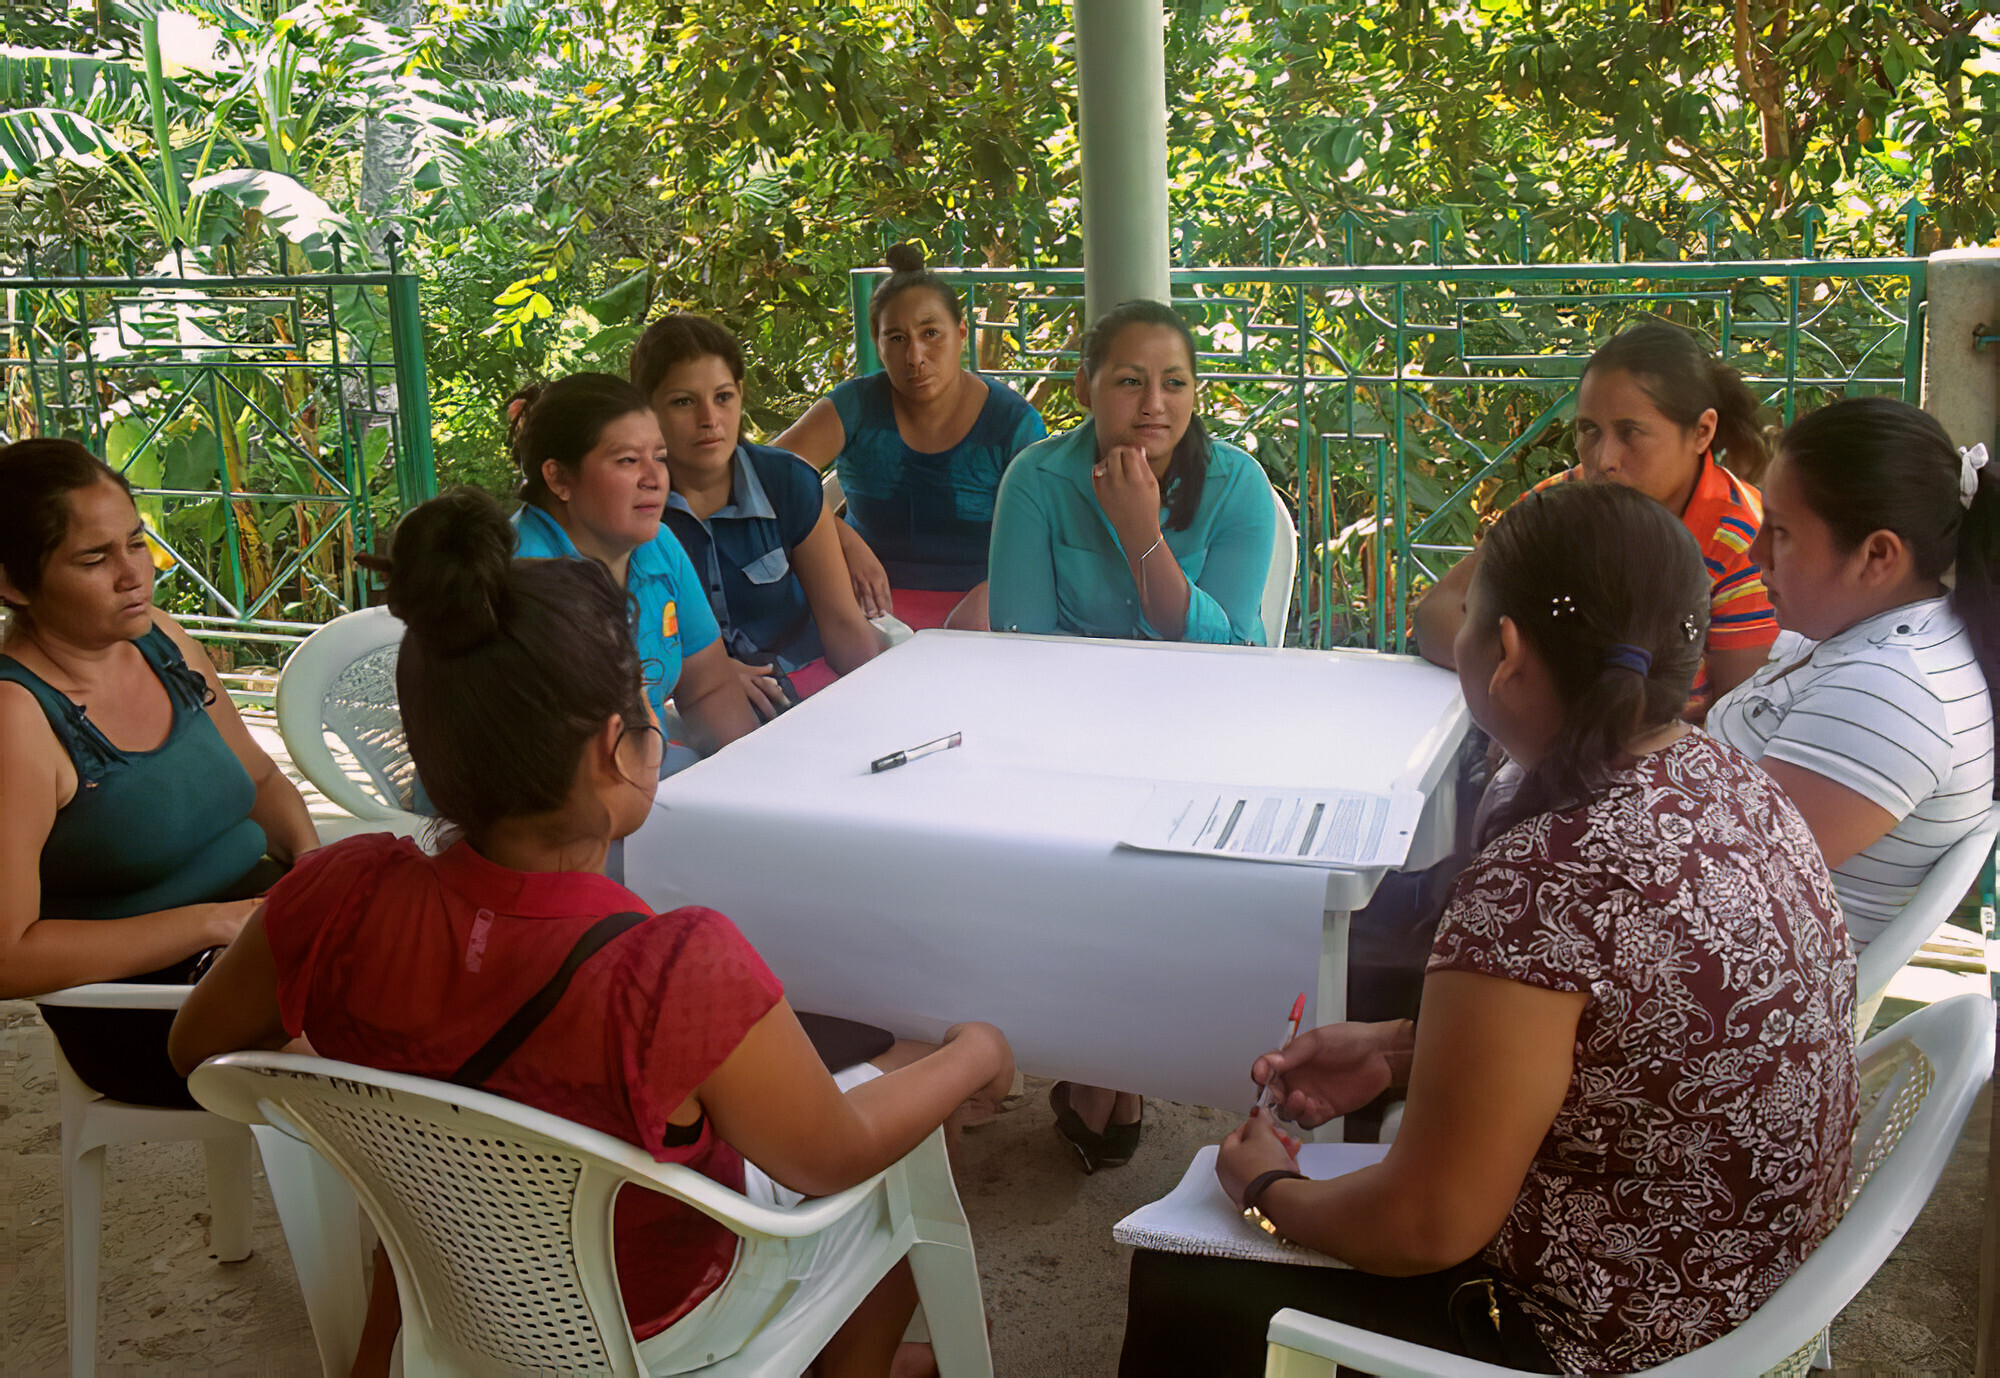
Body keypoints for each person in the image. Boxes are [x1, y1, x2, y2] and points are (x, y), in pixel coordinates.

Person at [169, 488, 1015, 1378]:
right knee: (918, 1107)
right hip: (663, 1320)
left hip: (449, 1294)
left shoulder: (332, 897)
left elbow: (199, 1046)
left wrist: (392, 1082)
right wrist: (972, 1051)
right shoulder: (671, 968)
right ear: (619, 748)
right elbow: (831, 1157)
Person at [1119, 481, 1857, 1376]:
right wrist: (1398, 1051)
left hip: (1610, 1335)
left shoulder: (1544, 875)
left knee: (1182, 1272)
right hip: (1747, 1302)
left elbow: (1425, 1226)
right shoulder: (1734, 782)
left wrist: (1264, 1191)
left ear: (1505, 652)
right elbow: (1619, 1039)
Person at [0, 438, 318, 1108]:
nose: (133, 573)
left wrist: (314, 874)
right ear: (12, 582)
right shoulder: (18, 718)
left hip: (252, 933)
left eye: (137, 542)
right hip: (142, 1004)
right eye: (94, 558)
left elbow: (259, 782)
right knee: (388, 1047)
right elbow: (9, 954)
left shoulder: (159, 641)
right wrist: (210, 923)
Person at [1708, 397, 1999, 951]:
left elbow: (1724, 878)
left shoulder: (1892, 694)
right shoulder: (1857, 636)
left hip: (1741, 994)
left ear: (1877, 557)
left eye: (1782, 532)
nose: (1753, 553)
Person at [1412, 319, 1778, 707]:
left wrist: (1570, 711)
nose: (1604, 460)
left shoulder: (1741, 543)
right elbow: (1437, 615)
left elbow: (1736, 715)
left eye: (1631, 432)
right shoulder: (1562, 501)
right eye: (1589, 429)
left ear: (1702, 431)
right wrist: (1539, 696)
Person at [775, 243, 1047, 632]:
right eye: (897, 338)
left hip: (981, 609)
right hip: (861, 605)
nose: (915, 356)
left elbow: (1048, 531)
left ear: (961, 332)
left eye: (931, 333)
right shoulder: (856, 405)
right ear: (877, 342)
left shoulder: (1011, 422)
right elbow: (768, 475)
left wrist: (997, 593)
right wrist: (843, 541)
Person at [986, 299, 1278, 646]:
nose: (1153, 404)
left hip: (1205, 693)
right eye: (1130, 381)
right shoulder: (1037, 478)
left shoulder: (1238, 485)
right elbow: (1020, 642)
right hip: (1070, 692)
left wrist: (1142, 535)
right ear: (1083, 387)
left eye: (1174, 383)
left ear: (1194, 394)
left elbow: (1231, 649)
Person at [632, 313, 884, 703]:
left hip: (807, 683)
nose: (709, 420)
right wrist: (705, 673)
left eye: (723, 397)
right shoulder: (632, 507)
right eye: (683, 402)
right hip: (692, 704)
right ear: (647, 411)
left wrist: (883, 702)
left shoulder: (787, 481)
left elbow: (842, 625)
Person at [505, 372, 764, 752]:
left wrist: (752, 787)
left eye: (659, 458)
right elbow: (550, 760)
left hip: (638, 771)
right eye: (627, 460)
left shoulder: (657, 545)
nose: (654, 478)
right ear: (558, 477)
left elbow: (708, 688)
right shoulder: (523, 577)